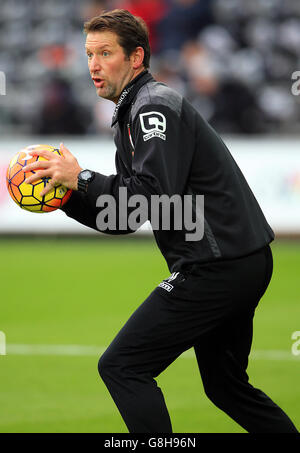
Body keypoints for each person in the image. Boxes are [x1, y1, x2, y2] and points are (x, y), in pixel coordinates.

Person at [23, 9, 298, 434]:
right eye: (89, 54)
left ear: (136, 58)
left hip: (217, 264)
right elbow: (126, 217)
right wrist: (63, 197)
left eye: (105, 53)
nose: (93, 65)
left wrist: (82, 178)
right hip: (238, 260)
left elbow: (153, 196)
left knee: (122, 366)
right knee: (226, 387)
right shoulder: (133, 111)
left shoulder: (153, 110)